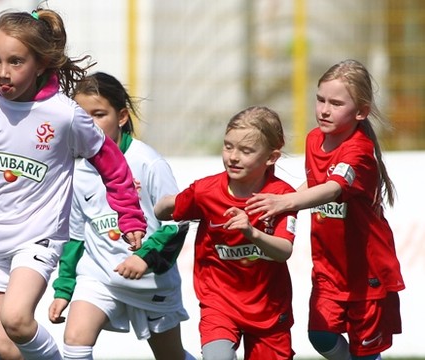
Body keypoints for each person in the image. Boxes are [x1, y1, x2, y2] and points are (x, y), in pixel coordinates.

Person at [0, 7, 147, 360]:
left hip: (37, 237)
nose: (3, 72)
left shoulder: (64, 115)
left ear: (41, 63)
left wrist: (130, 215)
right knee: (7, 347)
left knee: (16, 319)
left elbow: (112, 164)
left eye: (15, 62)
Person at [246, 59, 405, 360]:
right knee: (320, 336)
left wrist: (285, 202)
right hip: (329, 269)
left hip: (367, 272)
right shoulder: (314, 139)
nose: (324, 110)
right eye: (320, 100)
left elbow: (333, 188)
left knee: (365, 353)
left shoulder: (359, 151)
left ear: (361, 112)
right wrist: (279, 205)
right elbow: (315, 182)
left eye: (336, 103)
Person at [47, 72, 195, 360]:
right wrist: (64, 289)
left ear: (122, 117)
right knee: (75, 340)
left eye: (99, 114)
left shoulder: (148, 162)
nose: (90, 124)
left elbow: (177, 222)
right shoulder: (75, 168)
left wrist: (144, 258)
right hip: (99, 278)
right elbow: (75, 237)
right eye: (82, 116)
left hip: (151, 282)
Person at [154, 106, 299, 359]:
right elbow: (163, 210)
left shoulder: (282, 196)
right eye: (228, 146)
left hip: (269, 309)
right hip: (219, 303)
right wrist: (165, 201)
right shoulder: (205, 191)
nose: (233, 157)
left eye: (246, 151)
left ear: (271, 157)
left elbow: (284, 251)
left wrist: (252, 233)